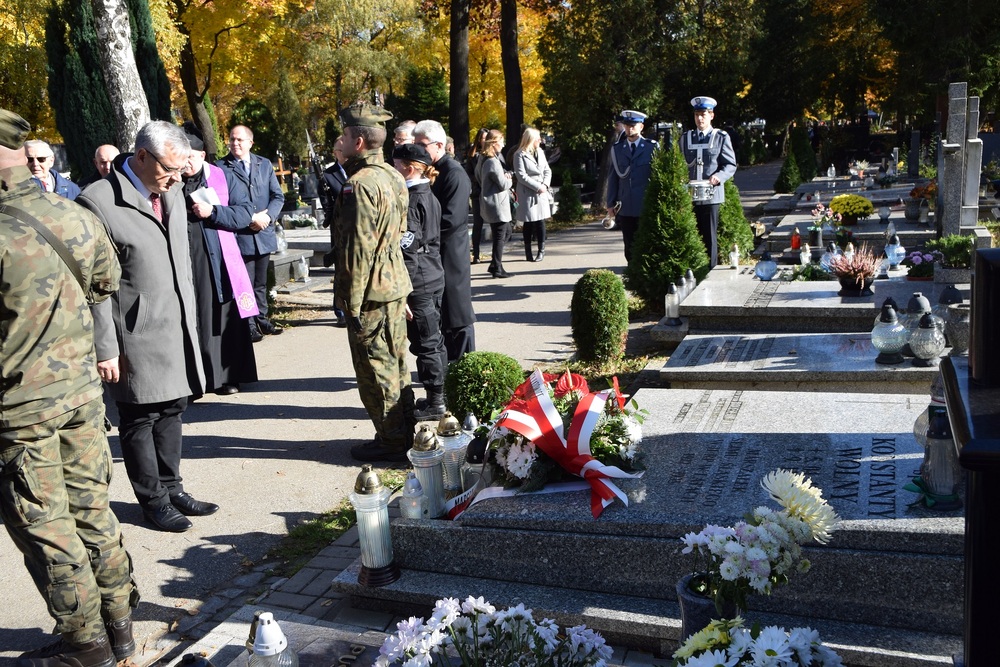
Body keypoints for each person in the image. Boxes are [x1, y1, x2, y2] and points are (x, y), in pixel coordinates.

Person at [1, 108, 138, 667]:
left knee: (47, 526)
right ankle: (121, 626)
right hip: (81, 395)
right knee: (92, 509)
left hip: (19, 407)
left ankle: (85, 646)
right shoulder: (72, 213)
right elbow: (105, 282)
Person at [78, 121, 218, 534]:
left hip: (174, 324)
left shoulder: (170, 189)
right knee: (140, 415)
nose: (177, 179)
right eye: (169, 170)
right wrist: (105, 348)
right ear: (141, 157)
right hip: (132, 332)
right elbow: (95, 287)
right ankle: (152, 500)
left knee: (173, 406)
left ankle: (172, 487)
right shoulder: (98, 201)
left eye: (181, 171)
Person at [332, 103, 415, 462]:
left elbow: (357, 252)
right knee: (396, 362)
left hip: (370, 292)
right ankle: (404, 430)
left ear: (360, 141)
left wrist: (349, 304)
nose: (340, 140)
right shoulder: (393, 175)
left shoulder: (359, 185)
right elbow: (399, 233)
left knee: (374, 366)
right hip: (394, 284)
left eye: (345, 135)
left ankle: (392, 440)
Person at [181, 124, 259, 396]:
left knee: (221, 318)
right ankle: (193, 381)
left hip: (221, 262)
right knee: (191, 318)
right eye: (181, 156)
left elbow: (244, 214)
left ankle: (226, 378)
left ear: (202, 155)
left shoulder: (223, 177)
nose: (186, 162)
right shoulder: (170, 181)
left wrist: (213, 212)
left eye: (191, 156)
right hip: (185, 261)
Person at [392, 143, 448, 420]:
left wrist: (403, 293)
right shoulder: (427, 192)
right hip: (431, 274)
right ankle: (438, 398)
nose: (393, 170)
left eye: (396, 165)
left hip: (420, 279)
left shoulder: (414, 199)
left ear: (409, 168)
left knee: (427, 342)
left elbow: (408, 249)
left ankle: (436, 403)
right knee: (433, 340)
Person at [413, 119, 476, 361]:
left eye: (422, 144)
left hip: (450, 253)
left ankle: (464, 365)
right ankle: (448, 366)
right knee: (444, 314)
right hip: (435, 252)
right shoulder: (431, 170)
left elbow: (451, 219)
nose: (418, 149)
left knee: (457, 312)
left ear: (439, 145)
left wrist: (421, 235)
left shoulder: (454, 173)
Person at [216, 124, 286, 339]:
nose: (235, 143)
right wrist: (249, 218)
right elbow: (221, 202)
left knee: (260, 283)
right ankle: (248, 324)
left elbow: (277, 196)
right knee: (243, 282)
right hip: (240, 234)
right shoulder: (221, 167)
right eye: (232, 139)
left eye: (240, 140)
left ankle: (263, 319)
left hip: (262, 233)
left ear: (250, 143)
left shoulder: (263, 164)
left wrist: (267, 217)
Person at [680, 96, 737, 267]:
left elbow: (730, 165)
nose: (700, 118)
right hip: (689, 196)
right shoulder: (685, 138)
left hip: (712, 196)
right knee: (690, 235)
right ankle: (692, 270)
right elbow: (679, 163)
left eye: (703, 114)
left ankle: (710, 270)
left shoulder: (720, 137)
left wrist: (718, 177)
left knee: (709, 236)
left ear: (711, 115)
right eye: (697, 114)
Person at [605, 110, 656, 262]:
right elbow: (613, 176)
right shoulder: (617, 149)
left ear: (641, 126)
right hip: (626, 205)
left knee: (647, 245)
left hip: (646, 204)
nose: (629, 129)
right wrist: (610, 203)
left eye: (633, 125)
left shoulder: (651, 147)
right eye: (627, 125)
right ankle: (633, 277)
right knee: (629, 246)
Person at [476, 130, 514, 279]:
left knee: (505, 232)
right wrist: (509, 177)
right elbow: (504, 184)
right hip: (497, 204)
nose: (503, 145)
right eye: (502, 141)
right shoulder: (492, 161)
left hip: (490, 203)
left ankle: (494, 264)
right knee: (501, 235)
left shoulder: (482, 159)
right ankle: (497, 266)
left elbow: (479, 179)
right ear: (494, 143)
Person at [321, 136, 349, 328]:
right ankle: (340, 311)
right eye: (342, 151)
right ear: (336, 153)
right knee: (340, 270)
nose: (346, 155)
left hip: (359, 228)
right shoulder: (328, 175)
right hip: (339, 228)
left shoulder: (359, 170)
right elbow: (327, 204)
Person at [513, 127, 553, 263]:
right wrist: (538, 187)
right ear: (531, 140)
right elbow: (521, 176)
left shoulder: (540, 152)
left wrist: (545, 185)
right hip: (527, 193)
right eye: (538, 138)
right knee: (528, 222)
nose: (540, 140)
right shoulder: (519, 154)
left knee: (540, 221)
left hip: (541, 191)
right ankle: (528, 251)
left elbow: (547, 170)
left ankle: (541, 250)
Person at [464, 128, 489, 265]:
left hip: (491, 192)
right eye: (483, 138)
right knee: (478, 224)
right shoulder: (473, 155)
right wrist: (480, 180)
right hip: (478, 192)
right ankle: (477, 253)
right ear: (479, 139)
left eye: (487, 138)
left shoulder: (494, 154)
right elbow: (469, 173)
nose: (485, 140)